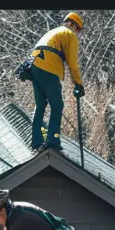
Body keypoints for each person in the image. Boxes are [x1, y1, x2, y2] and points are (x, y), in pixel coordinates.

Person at [27, 12, 85, 150]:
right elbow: (73, 63)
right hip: (49, 67)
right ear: (74, 26)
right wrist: (78, 83)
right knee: (57, 105)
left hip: (33, 66)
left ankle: (36, 141)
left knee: (40, 106)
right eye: (78, 30)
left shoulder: (52, 33)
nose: (77, 33)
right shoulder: (70, 35)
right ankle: (53, 140)